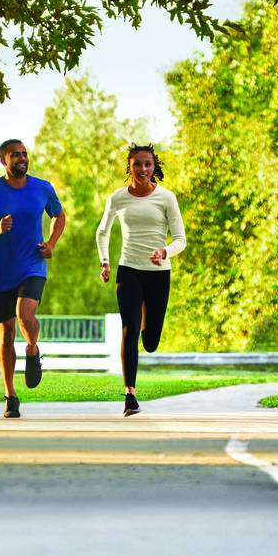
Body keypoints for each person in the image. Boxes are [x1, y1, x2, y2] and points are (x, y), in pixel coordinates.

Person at [0, 139, 67, 418]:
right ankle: (10, 395)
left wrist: (51, 244)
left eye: (25, 154)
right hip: (2, 271)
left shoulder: (42, 188)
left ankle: (33, 349)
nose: (23, 158)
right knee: (6, 333)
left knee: (25, 315)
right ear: (3, 159)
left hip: (33, 264)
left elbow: (59, 216)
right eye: (16, 155)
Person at [95, 143, 186, 416]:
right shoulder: (118, 198)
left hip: (159, 274)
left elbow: (181, 239)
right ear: (130, 167)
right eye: (137, 164)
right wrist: (105, 262)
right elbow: (102, 232)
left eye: (148, 164)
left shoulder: (167, 198)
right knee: (129, 329)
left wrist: (165, 251)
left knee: (150, 341)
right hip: (129, 270)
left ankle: (148, 322)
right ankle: (130, 395)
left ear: (154, 167)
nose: (143, 169)